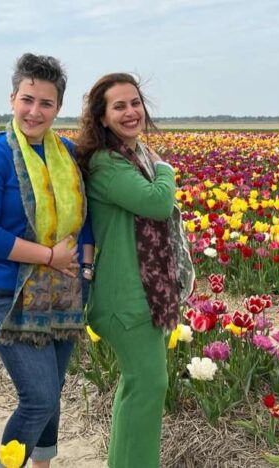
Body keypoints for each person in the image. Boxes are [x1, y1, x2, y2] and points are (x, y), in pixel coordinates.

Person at [0, 53, 94, 468]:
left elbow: (84, 221)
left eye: (46, 103)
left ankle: (42, 463)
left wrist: (84, 268)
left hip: (66, 289)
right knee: (37, 398)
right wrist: (49, 257)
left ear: (58, 108)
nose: (35, 111)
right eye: (27, 99)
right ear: (13, 98)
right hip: (5, 291)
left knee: (51, 392)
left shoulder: (67, 153)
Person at [75, 73, 194, 468]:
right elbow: (157, 203)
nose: (130, 112)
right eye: (119, 106)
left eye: (135, 103)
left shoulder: (133, 156)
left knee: (137, 385)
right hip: (124, 296)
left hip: (144, 292)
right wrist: (166, 169)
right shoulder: (108, 164)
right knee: (148, 385)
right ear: (102, 118)